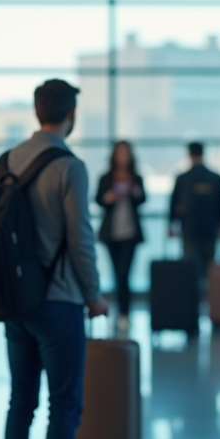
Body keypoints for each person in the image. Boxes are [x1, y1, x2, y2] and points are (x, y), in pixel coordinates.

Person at [0, 79, 113, 439]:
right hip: (59, 301)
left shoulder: (5, 161)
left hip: (15, 302)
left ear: (35, 110)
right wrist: (94, 295)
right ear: (71, 114)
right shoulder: (70, 166)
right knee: (63, 407)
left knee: (19, 404)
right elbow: (79, 239)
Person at [95, 141, 146, 334]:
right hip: (111, 233)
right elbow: (98, 200)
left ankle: (125, 313)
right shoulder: (106, 178)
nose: (123, 157)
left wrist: (135, 193)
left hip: (130, 234)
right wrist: (108, 198)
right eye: (120, 153)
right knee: (117, 274)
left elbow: (143, 200)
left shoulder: (136, 178)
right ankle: (118, 311)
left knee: (125, 274)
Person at [169, 142, 220, 273]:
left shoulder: (183, 179)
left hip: (189, 231)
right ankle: (209, 294)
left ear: (189, 154)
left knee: (190, 270)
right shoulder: (215, 178)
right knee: (210, 271)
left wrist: (171, 225)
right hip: (210, 231)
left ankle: (192, 294)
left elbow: (173, 204)